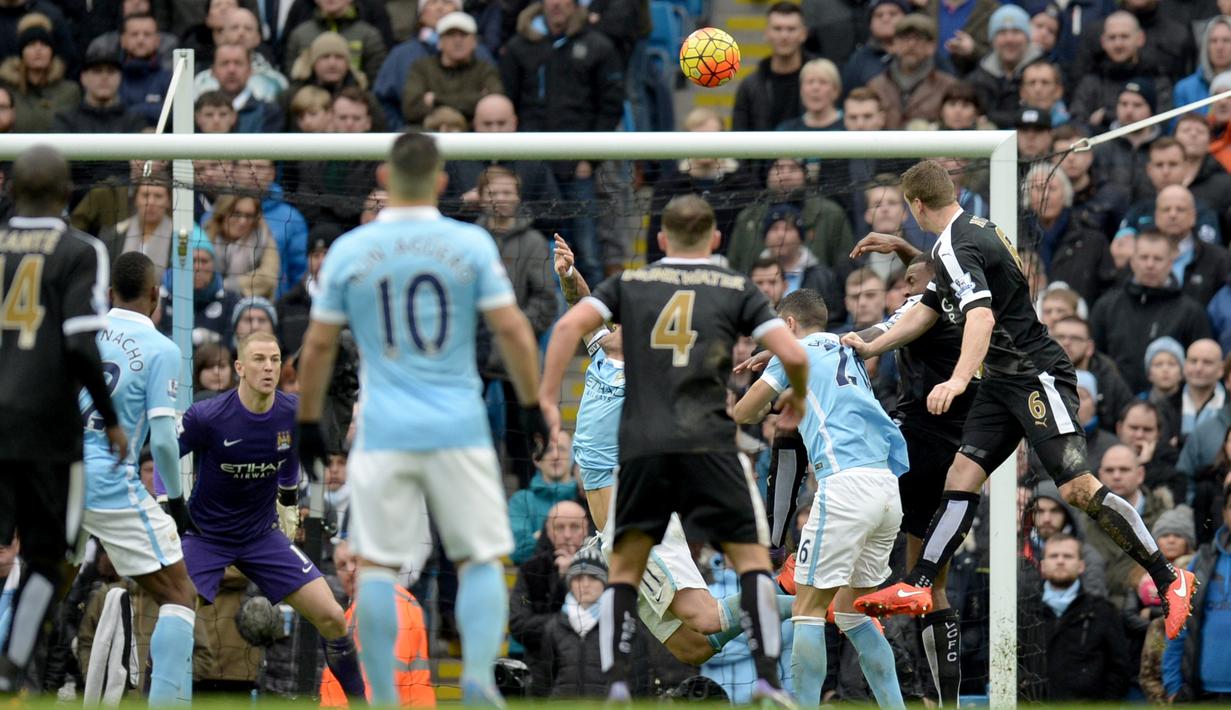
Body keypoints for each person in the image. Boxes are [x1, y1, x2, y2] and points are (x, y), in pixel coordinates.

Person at [843, 160, 1196, 642]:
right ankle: (919, 583)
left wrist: (957, 379)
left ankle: (1170, 578)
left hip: (1034, 375)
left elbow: (982, 319)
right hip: (1000, 382)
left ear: (916, 205)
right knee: (961, 475)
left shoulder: (956, 245)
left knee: (1075, 487)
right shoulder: (973, 230)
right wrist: (869, 346)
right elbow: (927, 308)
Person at [294, 132, 549, 704]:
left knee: (380, 567)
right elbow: (511, 329)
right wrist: (532, 405)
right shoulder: (471, 243)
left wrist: (309, 421)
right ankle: (480, 676)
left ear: (384, 179)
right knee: (479, 557)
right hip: (458, 422)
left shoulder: (351, 250)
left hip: (384, 430)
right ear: (440, 183)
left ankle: (383, 694)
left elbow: (316, 346)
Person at [538, 194, 810, 704]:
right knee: (692, 649)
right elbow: (583, 310)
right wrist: (567, 275)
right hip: (611, 530)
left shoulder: (644, 373)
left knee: (703, 618)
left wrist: (547, 401)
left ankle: (810, 597)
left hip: (637, 515)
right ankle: (791, 598)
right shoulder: (605, 351)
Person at [732, 289, 908, 709]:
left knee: (808, 610)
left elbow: (746, 413)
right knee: (851, 612)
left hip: (845, 487)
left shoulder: (791, 353)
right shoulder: (846, 344)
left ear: (788, 325)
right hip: (886, 486)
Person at [178, 331, 366, 700]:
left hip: (260, 537)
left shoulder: (292, 412)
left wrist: (288, 500)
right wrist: (169, 506)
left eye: (275, 359)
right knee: (174, 617)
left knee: (331, 615)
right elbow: (164, 453)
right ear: (239, 368)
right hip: (206, 537)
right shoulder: (207, 416)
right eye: (260, 359)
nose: (268, 367)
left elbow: (289, 455)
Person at [0, 145, 123, 691]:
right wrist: (111, 418)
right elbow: (79, 344)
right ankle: (10, 669)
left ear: (9, 190)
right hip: (47, 430)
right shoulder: (80, 250)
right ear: (68, 194)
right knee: (49, 557)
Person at [77, 251, 199, 706]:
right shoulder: (162, 350)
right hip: (110, 479)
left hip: (58, 474)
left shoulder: (82, 331)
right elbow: (165, 442)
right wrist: (177, 500)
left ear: (109, 294)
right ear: (155, 295)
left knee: (39, 586)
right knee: (180, 595)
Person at [318, 525, 434, 707]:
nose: (350, 570)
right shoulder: (352, 612)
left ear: (369, 560)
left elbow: (378, 684)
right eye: (341, 565)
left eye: (355, 560)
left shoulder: (392, 605)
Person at [1089, 230, 1212, 394]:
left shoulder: (1191, 312)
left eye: (1157, 259)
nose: (1150, 264)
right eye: (1144, 257)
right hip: (1115, 405)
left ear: (1170, 263)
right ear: (1132, 261)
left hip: (1170, 409)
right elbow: (1094, 359)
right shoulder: (1106, 306)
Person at [1018, 534, 1133, 700]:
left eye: (1068, 556)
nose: (1060, 561)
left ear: (1081, 566)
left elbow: (1119, 668)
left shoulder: (1103, 612)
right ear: (1042, 566)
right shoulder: (1024, 611)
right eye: (1053, 556)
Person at [1162, 490, 1231, 702]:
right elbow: (1178, 624)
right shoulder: (1201, 561)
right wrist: (1173, 686)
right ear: (1225, 512)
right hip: (1202, 693)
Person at [401, 11, 501, 127]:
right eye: (450, 35)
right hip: (430, 136)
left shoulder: (485, 69)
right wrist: (476, 99)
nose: (457, 41)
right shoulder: (421, 68)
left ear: (474, 42)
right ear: (439, 42)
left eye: (463, 35)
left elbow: (496, 105)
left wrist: (436, 99)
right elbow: (411, 109)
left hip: (473, 138)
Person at [865, 15, 958, 130]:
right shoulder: (876, 86)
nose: (911, 44)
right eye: (905, 37)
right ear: (894, 44)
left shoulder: (947, 86)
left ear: (931, 46)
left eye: (919, 38)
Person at [733, 2, 810, 132]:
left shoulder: (820, 80)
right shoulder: (750, 85)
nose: (784, 36)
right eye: (777, 29)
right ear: (766, 33)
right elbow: (738, 136)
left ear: (803, 34)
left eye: (791, 29)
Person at [969, 5, 1044, 129]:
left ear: (1027, 38)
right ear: (992, 40)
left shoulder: (1045, 73)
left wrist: (991, 118)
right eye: (1002, 33)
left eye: (1016, 32)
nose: (1009, 39)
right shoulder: (978, 78)